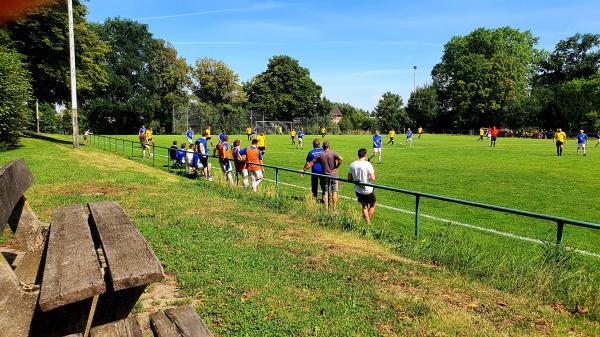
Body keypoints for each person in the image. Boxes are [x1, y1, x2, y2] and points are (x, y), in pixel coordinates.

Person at [303, 141, 343, 210]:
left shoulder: (320, 155)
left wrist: (303, 170)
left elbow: (310, 164)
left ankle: (326, 209)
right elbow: (341, 159)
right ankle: (334, 209)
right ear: (329, 146)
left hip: (325, 176)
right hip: (334, 176)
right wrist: (336, 167)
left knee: (325, 192)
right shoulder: (333, 153)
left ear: (323, 147)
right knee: (334, 192)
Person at [348, 148, 376, 225]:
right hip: (368, 189)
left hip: (358, 190)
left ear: (358, 155)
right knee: (373, 205)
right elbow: (373, 178)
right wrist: (369, 177)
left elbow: (349, 178)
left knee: (364, 206)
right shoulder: (368, 164)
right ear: (365, 155)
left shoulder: (352, 164)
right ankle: (368, 223)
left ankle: (367, 223)